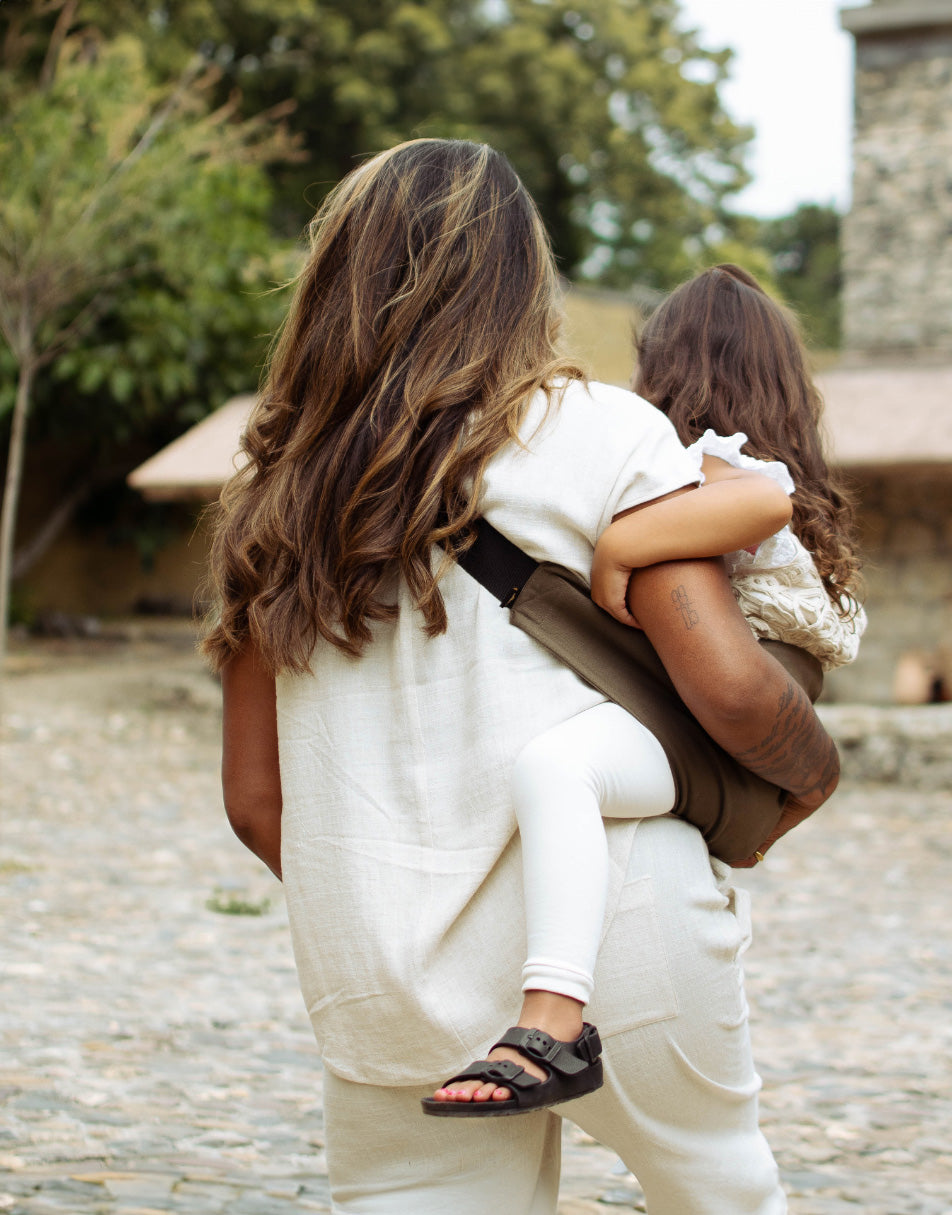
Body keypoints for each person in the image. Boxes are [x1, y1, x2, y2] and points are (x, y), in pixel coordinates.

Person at [204, 139, 841, 1214]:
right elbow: (732, 691)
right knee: (719, 1194)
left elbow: (259, 805)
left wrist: (408, 902)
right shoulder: (596, 431)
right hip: (622, 932)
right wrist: (812, 776)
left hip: (383, 966)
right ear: (517, 280)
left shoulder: (270, 504)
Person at [424, 265, 865, 1115]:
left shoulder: (702, 462)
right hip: (762, 705)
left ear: (663, 369)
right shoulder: (766, 471)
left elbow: (763, 502)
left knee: (559, 766)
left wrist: (623, 544)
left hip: (741, 691)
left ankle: (553, 1018)